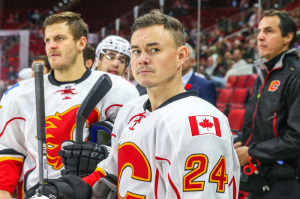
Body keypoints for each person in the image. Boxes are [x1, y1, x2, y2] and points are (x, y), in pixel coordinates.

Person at [49, 9, 239, 199]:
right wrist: (78, 187)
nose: (142, 59)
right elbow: (112, 172)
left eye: (154, 50)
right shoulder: (130, 110)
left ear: (181, 56)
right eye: (137, 51)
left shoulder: (199, 123)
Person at [0, 11, 139, 199]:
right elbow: (9, 152)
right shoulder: (19, 95)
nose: (52, 46)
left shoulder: (118, 90)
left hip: (95, 193)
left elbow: (130, 150)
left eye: (59, 38)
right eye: (47, 40)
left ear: (81, 43)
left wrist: (97, 170)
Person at [234, 10, 300, 199]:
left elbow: (296, 138)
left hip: (286, 183)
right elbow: (254, 128)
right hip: (261, 178)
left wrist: (252, 152)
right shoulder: (264, 74)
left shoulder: (295, 76)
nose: (260, 37)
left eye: (269, 31)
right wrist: (239, 141)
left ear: (288, 37)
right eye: (260, 31)